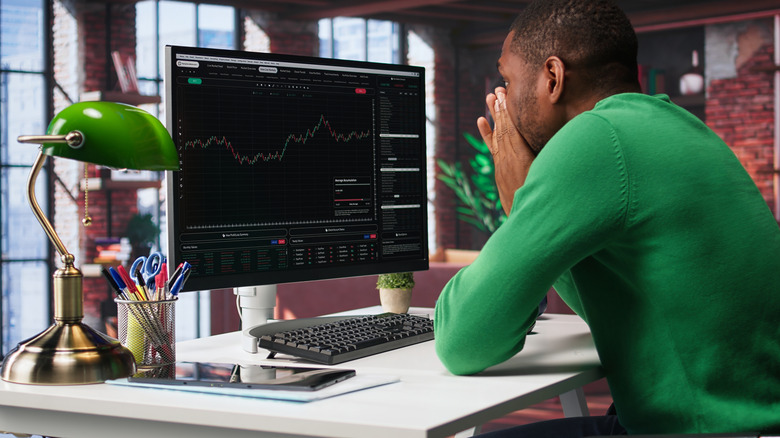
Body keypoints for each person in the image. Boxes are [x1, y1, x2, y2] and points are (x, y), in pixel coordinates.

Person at [432, 0, 780, 436]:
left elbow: (462, 342)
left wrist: (521, 203)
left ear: (552, 77)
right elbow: (626, 310)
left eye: (507, 80)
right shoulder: (681, 127)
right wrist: (528, 210)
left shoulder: (595, 138)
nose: (502, 100)